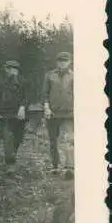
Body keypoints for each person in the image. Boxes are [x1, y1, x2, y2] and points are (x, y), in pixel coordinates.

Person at [42, 52, 75, 180]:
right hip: (52, 113)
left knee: (69, 139)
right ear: (56, 62)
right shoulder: (50, 75)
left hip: (69, 113)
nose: (62, 63)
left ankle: (69, 168)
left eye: (65, 60)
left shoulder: (74, 76)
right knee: (53, 141)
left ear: (69, 62)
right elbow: (44, 94)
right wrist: (46, 107)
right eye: (60, 60)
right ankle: (55, 165)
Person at [0, 60, 28, 165]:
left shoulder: (24, 83)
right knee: (7, 138)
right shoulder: (1, 84)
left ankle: (12, 155)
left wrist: (23, 107)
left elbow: (28, 97)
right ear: (6, 70)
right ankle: (10, 164)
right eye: (9, 68)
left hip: (19, 116)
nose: (12, 71)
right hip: (5, 116)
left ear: (18, 71)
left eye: (14, 69)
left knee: (18, 139)